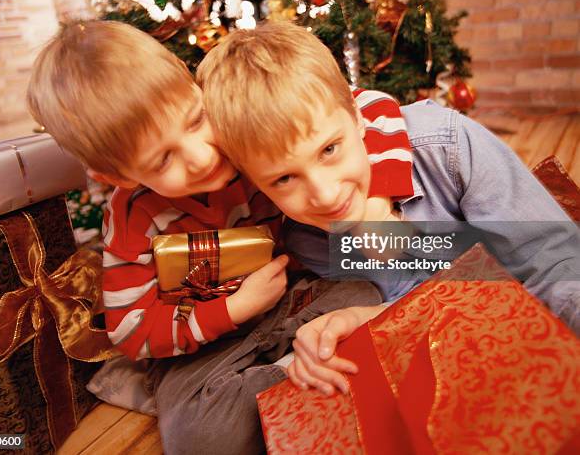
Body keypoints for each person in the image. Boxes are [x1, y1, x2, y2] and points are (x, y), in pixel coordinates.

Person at [26, 20, 413, 454]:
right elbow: (133, 332)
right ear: (117, 176)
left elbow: (367, 104)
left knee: (360, 290)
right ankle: (281, 376)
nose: (202, 157)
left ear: (195, 87)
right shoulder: (134, 219)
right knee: (200, 439)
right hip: (204, 347)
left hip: (291, 304)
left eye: (195, 121)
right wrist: (231, 310)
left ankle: (295, 366)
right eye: (162, 159)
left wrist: (379, 200)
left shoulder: (239, 135)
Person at [198, 20, 580, 397]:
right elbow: (419, 294)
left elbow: (549, 264)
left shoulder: (446, 147)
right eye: (283, 179)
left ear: (357, 114)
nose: (327, 196)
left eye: (330, 149)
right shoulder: (309, 241)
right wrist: (368, 318)